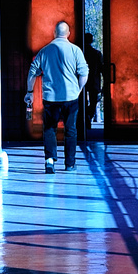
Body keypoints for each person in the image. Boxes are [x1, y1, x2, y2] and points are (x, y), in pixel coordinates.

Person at [25, 21, 88, 173]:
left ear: (54, 33)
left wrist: (30, 92)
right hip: (70, 97)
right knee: (71, 130)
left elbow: (33, 72)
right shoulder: (75, 50)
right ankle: (70, 164)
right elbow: (84, 73)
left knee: (49, 128)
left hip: (50, 97)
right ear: (68, 34)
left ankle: (49, 162)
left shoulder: (45, 51)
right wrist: (78, 90)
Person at [83, 32, 105, 126]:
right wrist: (105, 85)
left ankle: (85, 116)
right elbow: (102, 70)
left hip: (81, 82)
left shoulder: (80, 53)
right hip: (94, 82)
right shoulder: (97, 54)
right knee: (93, 103)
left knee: (81, 102)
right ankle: (88, 115)